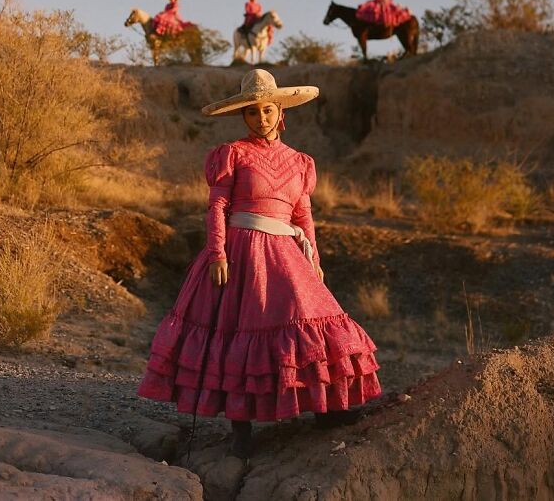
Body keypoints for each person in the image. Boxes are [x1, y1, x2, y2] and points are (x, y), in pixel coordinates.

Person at [138, 69, 381, 459]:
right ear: (245, 117)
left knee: (309, 317)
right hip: (241, 251)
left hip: (285, 252)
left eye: (267, 110)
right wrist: (217, 252)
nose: (261, 119)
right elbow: (217, 205)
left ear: (280, 112)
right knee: (238, 331)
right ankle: (241, 431)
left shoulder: (301, 162)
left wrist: (313, 259)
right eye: (252, 113)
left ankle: (325, 413)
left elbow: (303, 216)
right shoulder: (231, 154)